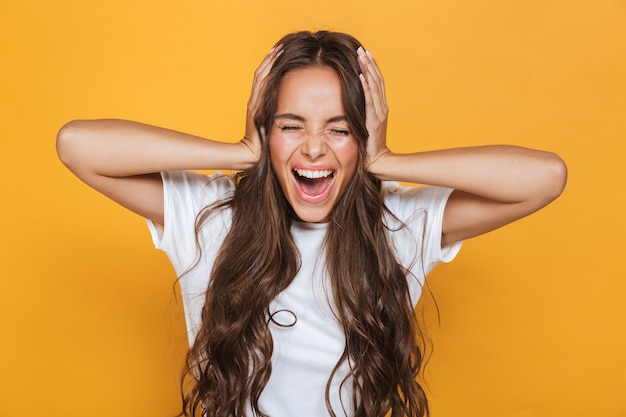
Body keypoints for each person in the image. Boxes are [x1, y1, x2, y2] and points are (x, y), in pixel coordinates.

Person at [56, 31, 567, 417]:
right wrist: (240, 151)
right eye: (290, 126)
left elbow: (544, 177)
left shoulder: (399, 225)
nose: (314, 147)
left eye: (340, 129)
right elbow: (77, 144)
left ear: (362, 137)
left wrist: (387, 160)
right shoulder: (213, 219)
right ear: (268, 132)